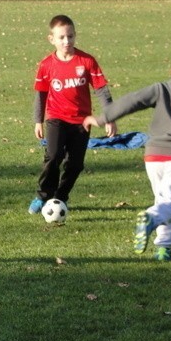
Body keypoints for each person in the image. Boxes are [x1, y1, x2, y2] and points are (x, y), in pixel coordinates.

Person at [83, 51, 171, 261]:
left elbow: (132, 101)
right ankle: (151, 219)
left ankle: (164, 247)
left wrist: (103, 117)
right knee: (170, 201)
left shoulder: (162, 88)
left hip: (153, 156)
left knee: (165, 199)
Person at [30, 14, 115, 214]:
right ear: (52, 39)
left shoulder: (86, 61)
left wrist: (109, 117)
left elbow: (101, 89)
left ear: (75, 36)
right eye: (61, 37)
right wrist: (38, 121)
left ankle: (60, 198)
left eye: (70, 36)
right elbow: (41, 94)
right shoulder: (46, 65)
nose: (66, 41)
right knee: (53, 156)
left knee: (75, 165)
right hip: (55, 117)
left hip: (82, 122)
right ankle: (42, 196)